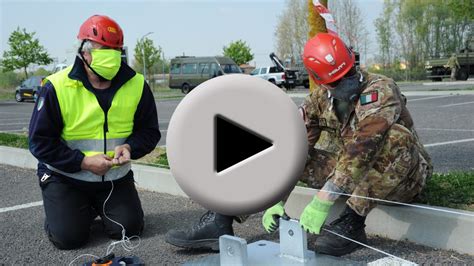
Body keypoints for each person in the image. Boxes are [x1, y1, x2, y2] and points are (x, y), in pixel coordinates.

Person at [165, 33, 432, 256]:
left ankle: (352, 222)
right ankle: (220, 220)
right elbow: (292, 146)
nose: (348, 81)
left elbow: (363, 146)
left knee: (395, 138)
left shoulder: (380, 90)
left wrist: (323, 201)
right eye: (338, 80)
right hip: (350, 174)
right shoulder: (319, 100)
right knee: (277, 144)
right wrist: (275, 196)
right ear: (321, 81)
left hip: (402, 177)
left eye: (350, 72)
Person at [29, 15, 160, 250]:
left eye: (115, 50)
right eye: (104, 50)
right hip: (66, 178)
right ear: (84, 53)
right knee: (68, 238)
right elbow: (39, 143)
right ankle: (69, 211)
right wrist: (83, 162)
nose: (111, 57)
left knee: (128, 230)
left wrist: (131, 147)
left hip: (114, 178)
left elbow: (149, 132)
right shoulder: (56, 86)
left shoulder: (137, 84)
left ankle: (91, 207)